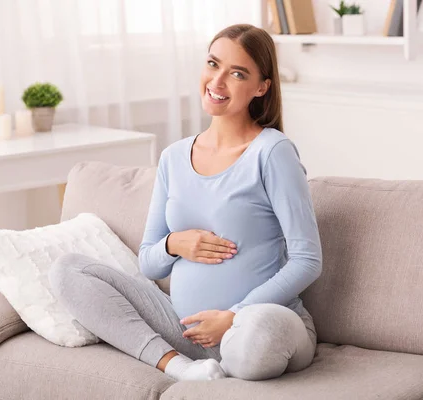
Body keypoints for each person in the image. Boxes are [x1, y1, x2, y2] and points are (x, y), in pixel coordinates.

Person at [48, 23, 322, 382]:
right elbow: (149, 263)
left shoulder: (272, 153)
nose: (218, 81)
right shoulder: (173, 157)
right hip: (186, 331)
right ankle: (180, 367)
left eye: (237, 73)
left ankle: (232, 358)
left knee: (258, 336)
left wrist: (235, 316)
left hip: (258, 323)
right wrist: (175, 244)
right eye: (213, 64)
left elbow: (307, 260)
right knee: (67, 270)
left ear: (261, 87)